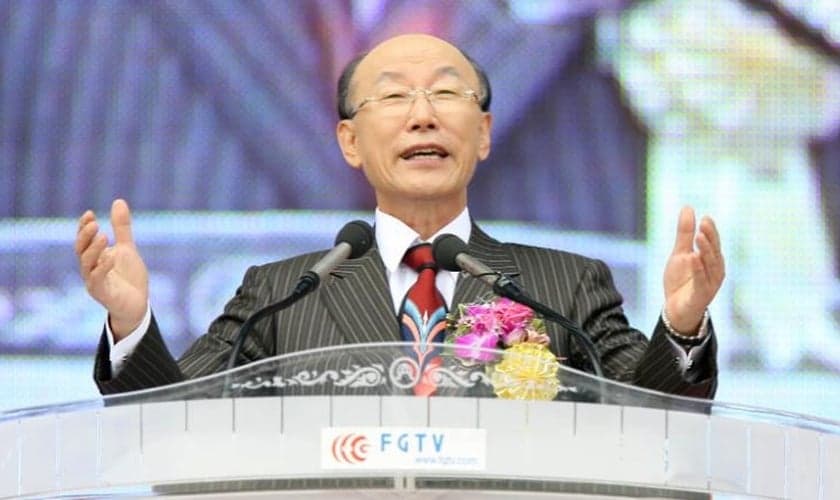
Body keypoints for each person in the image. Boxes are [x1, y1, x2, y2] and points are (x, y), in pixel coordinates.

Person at [75, 34, 724, 398]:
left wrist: (683, 327)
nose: (423, 115)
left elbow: (655, 417)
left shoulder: (566, 289)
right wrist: (130, 324)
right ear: (350, 141)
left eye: (447, 92)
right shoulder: (278, 295)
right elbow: (169, 419)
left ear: (485, 133)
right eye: (392, 97)